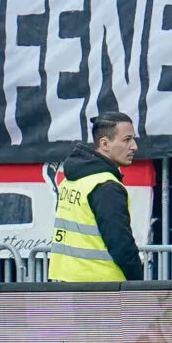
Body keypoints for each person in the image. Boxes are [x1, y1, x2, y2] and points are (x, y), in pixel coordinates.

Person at [48, 112, 144, 282]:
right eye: (127, 139)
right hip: (103, 285)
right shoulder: (106, 185)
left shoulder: (73, 178)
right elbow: (121, 244)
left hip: (66, 280)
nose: (134, 146)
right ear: (105, 144)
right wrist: (137, 281)